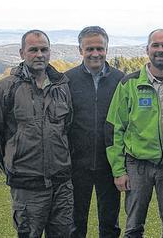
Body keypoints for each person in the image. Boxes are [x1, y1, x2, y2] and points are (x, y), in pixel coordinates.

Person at [106, 29, 163, 237]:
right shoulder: (129, 83)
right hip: (138, 165)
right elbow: (114, 128)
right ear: (147, 49)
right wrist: (119, 170)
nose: (160, 50)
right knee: (134, 227)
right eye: (156, 45)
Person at [0, 29, 74, 237]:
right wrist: (12, 167)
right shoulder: (5, 89)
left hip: (61, 184)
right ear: (22, 53)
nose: (39, 54)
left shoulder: (62, 86)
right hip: (27, 186)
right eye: (33, 50)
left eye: (44, 49)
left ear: (50, 52)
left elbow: (67, 128)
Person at [66, 26, 124, 238]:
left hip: (109, 163)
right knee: (74, 223)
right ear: (80, 50)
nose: (95, 54)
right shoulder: (67, 80)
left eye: (100, 48)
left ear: (107, 49)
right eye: (89, 49)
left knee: (110, 224)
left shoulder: (121, 80)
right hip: (75, 164)